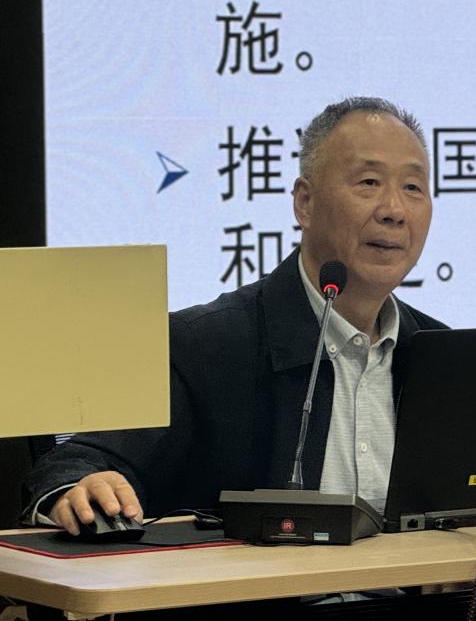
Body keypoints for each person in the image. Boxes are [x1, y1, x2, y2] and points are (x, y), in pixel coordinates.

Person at [24, 97, 446, 534]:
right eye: (369, 182)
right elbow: (82, 461)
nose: (394, 210)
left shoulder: (440, 357)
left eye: (413, 187)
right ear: (305, 203)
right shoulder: (205, 346)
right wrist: (80, 487)